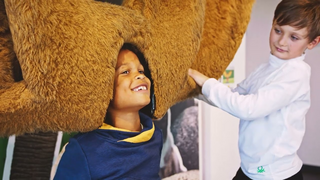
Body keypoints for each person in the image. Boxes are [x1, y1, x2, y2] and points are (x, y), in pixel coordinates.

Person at [188, 0, 320, 179]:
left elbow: (248, 108)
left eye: (294, 37)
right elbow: (235, 96)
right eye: (278, 30)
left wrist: (207, 82)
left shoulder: (295, 74)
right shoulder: (267, 69)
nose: (281, 41)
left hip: (273, 174)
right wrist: (196, 90)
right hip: (252, 169)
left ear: (312, 42)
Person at [52, 43, 163, 180]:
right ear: (103, 88)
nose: (140, 76)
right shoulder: (83, 149)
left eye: (141, 71)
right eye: (125, 72)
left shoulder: (155, 135)